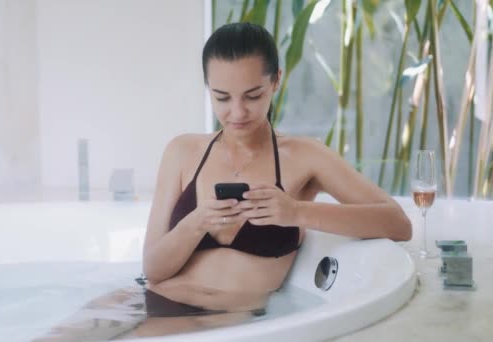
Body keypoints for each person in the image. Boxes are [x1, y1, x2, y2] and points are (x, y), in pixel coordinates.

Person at [34, 22, 412, 341]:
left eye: (252, 95)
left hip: (219, 317)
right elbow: (154, 269)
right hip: (140, 297)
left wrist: (295, 211)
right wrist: (197, 221)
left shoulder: (305, 156)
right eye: (221, 97)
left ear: (276, 80)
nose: (237, 112)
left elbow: (397, 223)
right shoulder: (183, 152)